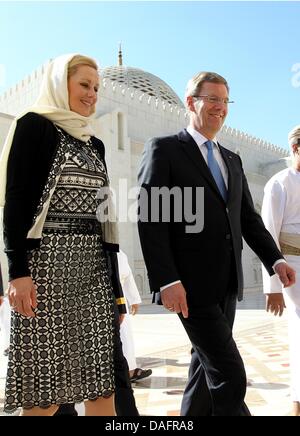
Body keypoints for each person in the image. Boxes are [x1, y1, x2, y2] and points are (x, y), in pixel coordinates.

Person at [137, 71, 296, 416]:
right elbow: (151, 220)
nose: (220, 108)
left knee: (203, 366)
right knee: (230, 375)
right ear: (191, 101)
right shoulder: (165, 150)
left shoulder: (231, 159)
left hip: (225, 283)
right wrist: (167, 280)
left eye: (225, 101)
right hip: (189, 287)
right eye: (212, 99)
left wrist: (275, 260)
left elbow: (248, 221)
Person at [0, 53, 127, 416]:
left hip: (92, 274)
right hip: (46, 272)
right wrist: (18, 272)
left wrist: (115, 289)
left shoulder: (94, 144)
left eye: (97, 88)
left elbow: (105, 221)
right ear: (60, 84)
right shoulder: (34, 126)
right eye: (84, 85)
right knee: (45, 393)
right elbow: (17, 204)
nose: (92, 95)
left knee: (101, 387)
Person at [261, 125, 300, 417]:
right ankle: (297, 403)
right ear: (296, 148)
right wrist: (273, 287)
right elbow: (268, 236)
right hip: (292, 267)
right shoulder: (280, 182)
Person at [117, 250, 152, 382]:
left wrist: (134, 299)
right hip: (103, 300)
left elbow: (127, 277)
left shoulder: (119, 252)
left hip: (120, 301)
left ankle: (130, 370)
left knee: (125, 337)